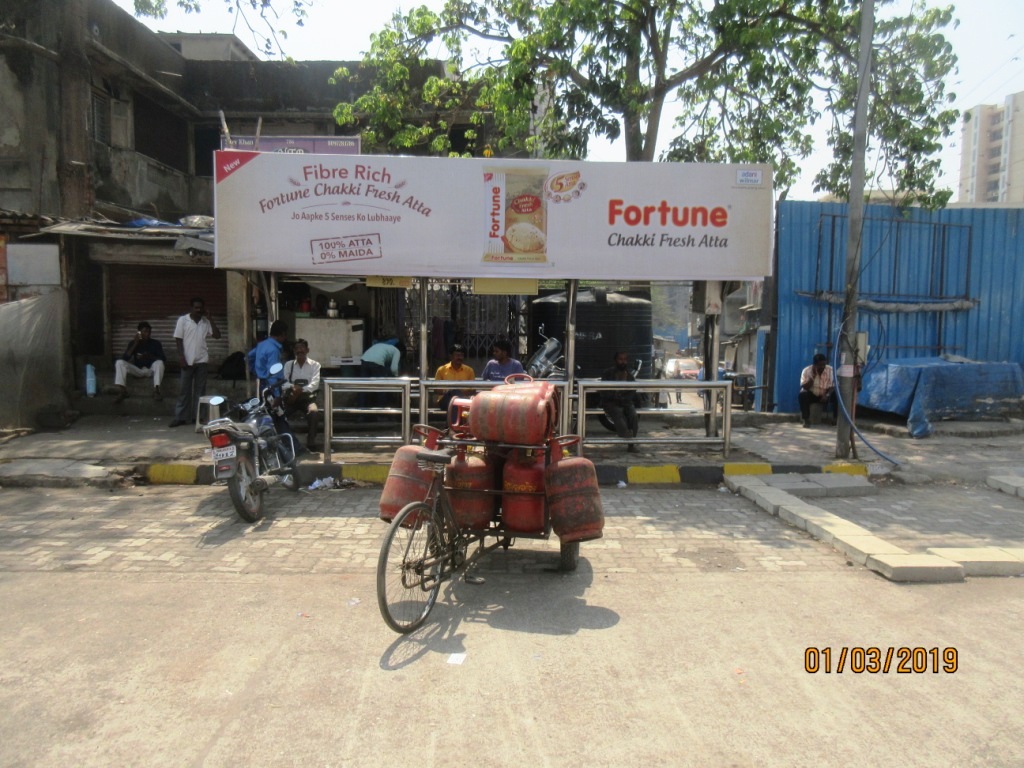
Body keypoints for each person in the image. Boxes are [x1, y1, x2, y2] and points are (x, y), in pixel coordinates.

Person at [168, 297, 221, 428]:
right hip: (187, 360)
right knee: (184, 390)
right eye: (196, 308)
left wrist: (211, 319)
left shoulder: (205, 322)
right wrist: (181, 357)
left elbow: (217, 335)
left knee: (200, 391)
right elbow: (178, 339)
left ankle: (198, 417)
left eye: (200, 308)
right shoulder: (183, 320)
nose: (198, 310)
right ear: (191, 308)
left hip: (202, 360)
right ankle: (180, 417)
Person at [281, 338, 322, 451]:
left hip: (307, 399)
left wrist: (301, 389)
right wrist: (293, 388)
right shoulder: (289, 365)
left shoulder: (315, 365)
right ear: (294, 351)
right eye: (297, 348)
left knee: (314, 412)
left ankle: (311, 441)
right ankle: (283, 440)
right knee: (279, 414)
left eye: (302, 348)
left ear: (307, 350)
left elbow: (315, 384)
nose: (300, 351)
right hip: (291, 399)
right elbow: (284, 383)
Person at [114, 321, 166, 403]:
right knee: (119, 362)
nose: (147, 334)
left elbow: (163, 359)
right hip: (138, 370)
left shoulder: (156, 343)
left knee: (159, 363)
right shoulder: (133, 343)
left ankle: (156, 391)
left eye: (149, 331)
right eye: (145, 331)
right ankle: (122, 391)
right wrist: (135, 343)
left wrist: (149, 356)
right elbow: (125, 358)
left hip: (150, 370)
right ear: (139, 332)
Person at [601, 351, 639, 452]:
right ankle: (625, 435)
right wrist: (614, 396)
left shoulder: (630, 376)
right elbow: (603, 390)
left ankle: (631, 444)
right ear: (616, 360)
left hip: (625, 402)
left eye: (625, 360)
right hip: (610, 402)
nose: (623, 362)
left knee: (633, 415)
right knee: (617, 412)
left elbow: (632, 392)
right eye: (620, 359)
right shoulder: (608, 373)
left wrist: (624, 399)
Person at [433, 343, 475, 412]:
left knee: (455, 402)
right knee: (454, 394)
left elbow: (473, 390)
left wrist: (458, 393)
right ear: (451, 356)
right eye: (457, 355)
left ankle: (451, 423)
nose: (460, 358)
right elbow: (436, 389)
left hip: (463, 400)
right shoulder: (442, 370)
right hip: (445, 400)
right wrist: (450, 392)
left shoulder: (469, 371)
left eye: (462, 355)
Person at [248, 320, 288, 389]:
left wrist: (257, 370)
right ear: (281, 334)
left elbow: (248, 357)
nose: (285, 338)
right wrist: (276, 394)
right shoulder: (274, 350)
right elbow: (273, 374)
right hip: (270, 386)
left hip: (260, 383)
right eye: (285, 335)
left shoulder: (261, 345)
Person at [799, 352, 836, 427]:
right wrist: (813, 376)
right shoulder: (806, 371)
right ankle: (806, 420)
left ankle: (835, 419)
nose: (822, 367)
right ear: (815, 365)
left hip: (825, 394)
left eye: (824, 365)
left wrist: (827, 395)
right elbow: (804, 387)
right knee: (802, 394)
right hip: (813, 394)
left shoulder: (830, 370)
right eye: (820, 365)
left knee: (837, 395)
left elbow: (833, 386)